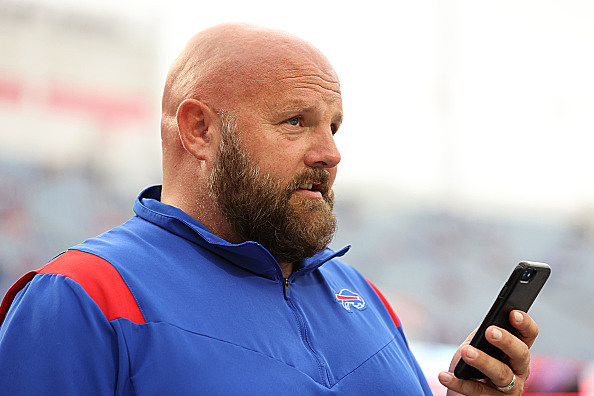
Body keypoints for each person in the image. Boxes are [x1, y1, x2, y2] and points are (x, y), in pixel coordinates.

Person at [0, 24, 538, 395]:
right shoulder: (81, 297)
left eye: (333, 126)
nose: (329, 153)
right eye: (295, 122)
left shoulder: (364, 298)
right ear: (200, 131)